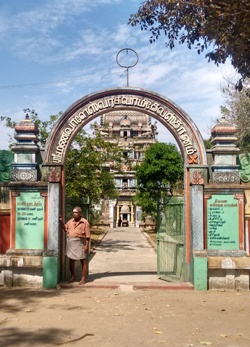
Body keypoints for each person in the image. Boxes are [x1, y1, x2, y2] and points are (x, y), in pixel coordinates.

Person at [59, 207, 90, 285]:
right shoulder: (70, 221)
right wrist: (61, 221)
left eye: (75, 212)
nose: (74, 214)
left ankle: (83, 278)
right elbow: (65, 228)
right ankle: (73, 276)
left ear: (80, 213)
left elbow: (88, 236)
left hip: (80, 243)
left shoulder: (85, 222)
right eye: (73, 212)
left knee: (83, 260)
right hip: (71, 243)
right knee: (71, 260)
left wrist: (86, 246)